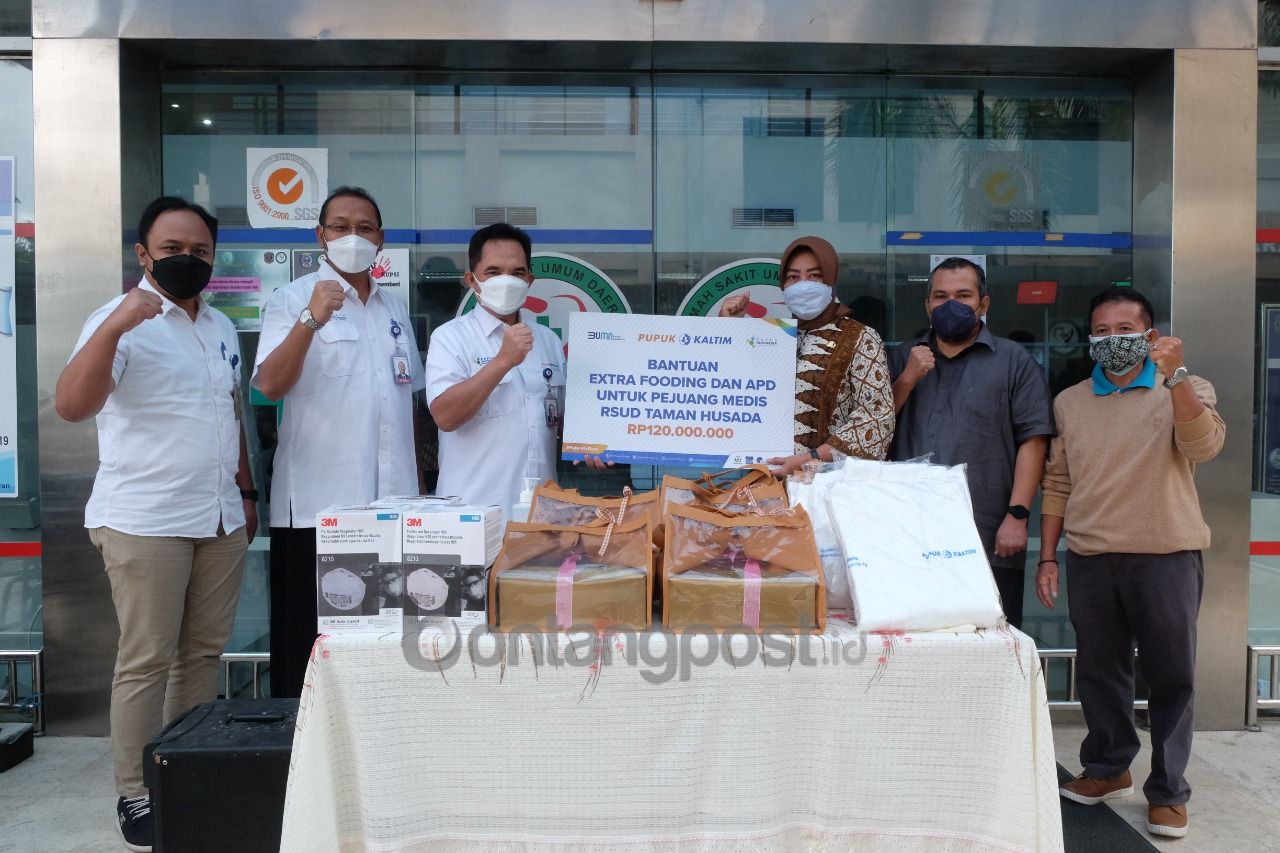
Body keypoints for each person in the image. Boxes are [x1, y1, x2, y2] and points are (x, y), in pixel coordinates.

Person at [56, 196, 257, 852]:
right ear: (143, 255)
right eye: (172, 249)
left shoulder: (219, 325)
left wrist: (246, 493)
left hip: (219, 515)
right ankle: (135, 790)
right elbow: (71, 405)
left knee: (201, 654)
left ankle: (184, 768)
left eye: (199, 250)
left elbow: (230, 413)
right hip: (145, 518)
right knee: (146, 658)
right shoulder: (117, 320)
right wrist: (116, 324)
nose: (186, 259)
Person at [1036, 287, 1224, 840]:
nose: (1112, 340)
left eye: (1125, 330)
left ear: (1150, 335)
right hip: (1092, 556)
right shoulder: (1070, 401)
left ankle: (1168, 791)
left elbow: (1204, 447)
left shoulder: (1186, 387)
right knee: (1101, 672)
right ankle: (1108, 766)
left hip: (1165, 554)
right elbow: (1058, 482)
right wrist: (1048, 555)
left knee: (1171, 675)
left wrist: (1176, 377)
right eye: (1102, 331)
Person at [253, 186, 423, 698]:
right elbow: (270, 385)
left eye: (365, 228)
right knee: (309, 652)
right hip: (319, 510)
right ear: (320, 235)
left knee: (382, 645)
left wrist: (419, 493)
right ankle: (301, 741)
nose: (353, 236)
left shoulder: (394, 310)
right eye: (341, 227)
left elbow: (406, 403)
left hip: (392, 508)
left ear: (381, 239)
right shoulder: (291, 300)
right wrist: (311, 320)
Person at [888, 257, 1053, 628]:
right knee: (915, 643)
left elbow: (1034, 440)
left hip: (989, 535)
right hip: (910, 535)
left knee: (993, 642)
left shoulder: (1013, 361)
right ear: (927, 305)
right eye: (940, 296)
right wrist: (908, 378)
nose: (951, 304)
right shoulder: (901, 357)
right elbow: (874, 430)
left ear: (984, 303)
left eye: (963, 295)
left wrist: (1018, 515)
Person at [426, 223, 592, 518]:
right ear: (472, 280)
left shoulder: (548, 341)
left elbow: (560, 420)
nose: (507, 281)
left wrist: (593, 444)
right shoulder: (450, 337)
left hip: (538, 514)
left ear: (530, 279)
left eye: (517, 273)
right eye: (493, 272)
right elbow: (445, 416)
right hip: (473, 513)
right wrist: (502, 361)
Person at [721, 235, 894, 474]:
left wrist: (810, 459)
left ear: (831, 281)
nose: (803, 285)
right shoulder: (770, 338)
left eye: (814, 276)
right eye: (793, 277)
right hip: (767, 482)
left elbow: (877, 418)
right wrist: (729, 329)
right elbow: (730, 393)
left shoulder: (860, 337)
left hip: (829, 485)